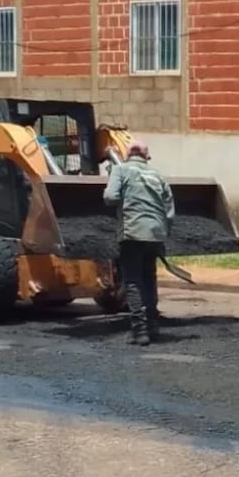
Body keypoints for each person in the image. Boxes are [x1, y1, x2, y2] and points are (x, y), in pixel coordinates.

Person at [103, 141, 175, 346]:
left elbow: (110, 197)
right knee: (149, 278)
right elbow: (169, 210)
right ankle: (153, 325)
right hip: (154, 234)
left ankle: (139, 331)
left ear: (127, 155)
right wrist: (163, 234)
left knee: (133, 281)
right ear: (147, 157)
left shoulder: (120, 170)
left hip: (132, 233)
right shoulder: (158, 175)